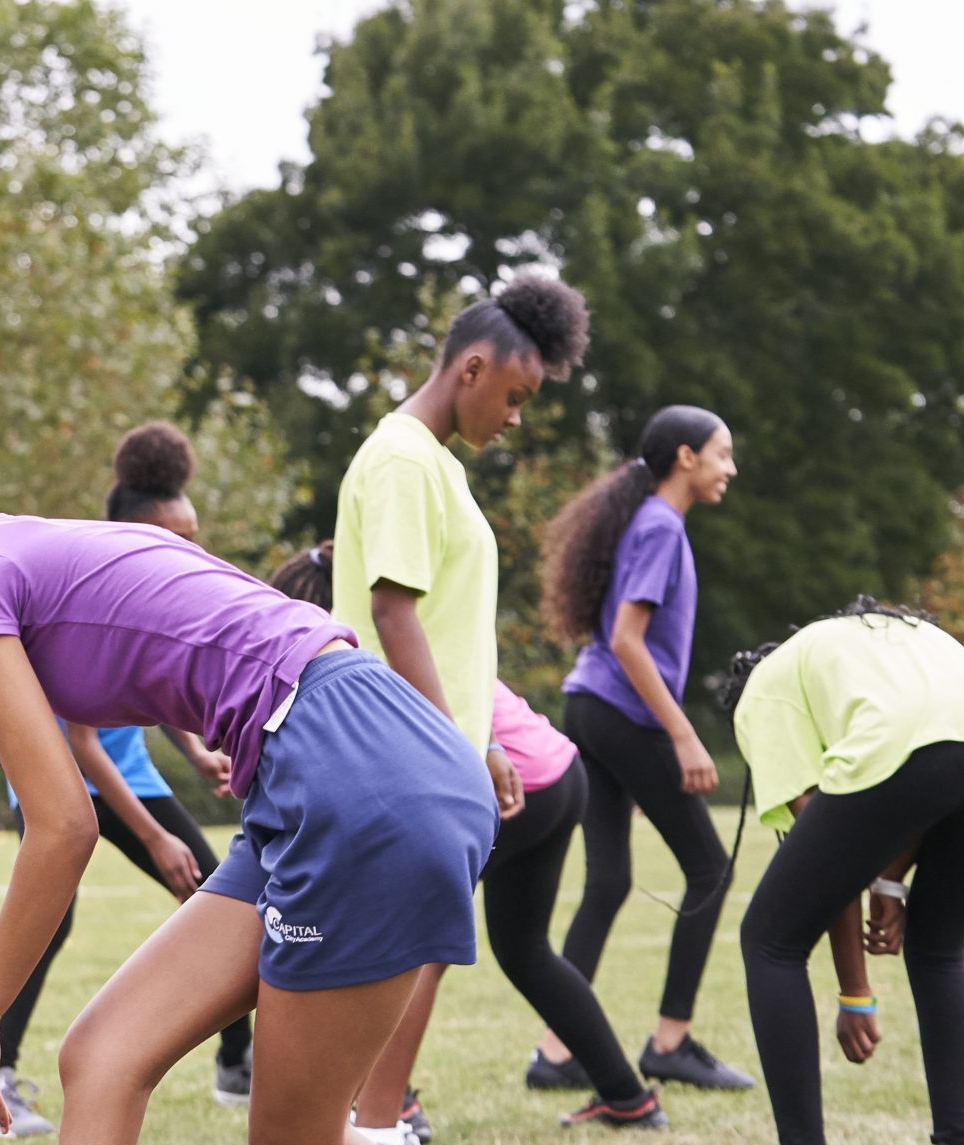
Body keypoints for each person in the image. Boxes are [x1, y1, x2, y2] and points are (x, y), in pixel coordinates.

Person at [0, 316, 493, 1145]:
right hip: (338, 756)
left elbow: (62, 824)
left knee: (290, 1136)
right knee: (103, 1054)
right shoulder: (16, 551)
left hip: (351, 766)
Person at [270, 544, 670, 1131]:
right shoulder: (419, 643)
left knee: (417, 946)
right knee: (526, 952)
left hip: (507, 784)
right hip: (558, 774)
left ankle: (390, 1106)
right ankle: (626, 1097)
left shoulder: (363, 659)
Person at [334, 277, 592, 1143]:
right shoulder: (406, 458)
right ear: (472, 368)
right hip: (403, 748)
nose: (516, 417)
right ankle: (371, 1124)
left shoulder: (431, 461)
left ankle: (372, 1118)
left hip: (426, 745)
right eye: (515, 397)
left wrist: (482, 738)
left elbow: (441, 624)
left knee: (418, 944)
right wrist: (457, 748)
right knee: (408, 946)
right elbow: (393, 612)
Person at [0, 423, 250, 1137]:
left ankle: (238, 1061)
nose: (192, 552)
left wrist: (193, 752)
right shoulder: (89, 586)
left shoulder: (155, 580)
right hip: (69, 779)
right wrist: (157, 836)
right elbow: (82, 743)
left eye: (196, 536)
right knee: (52, 922)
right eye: (178, 536)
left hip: (128, 774)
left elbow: (153, 687)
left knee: (225, 896)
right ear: (135, 531)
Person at [726, 600, 964, 1145]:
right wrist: (891, 883)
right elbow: (931, 757)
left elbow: (827, 855)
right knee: (940, 950)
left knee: (768, 940)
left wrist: (856, 994)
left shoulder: (765, 691)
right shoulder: (886, 639)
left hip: (909, 748)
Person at [539, 404, 754, 1091]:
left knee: (607, 881)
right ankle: (671, 1040)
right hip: (619, 711)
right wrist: (682, 735)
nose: (731, 467)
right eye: (722, 453)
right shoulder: (661, 525)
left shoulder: (649, 521)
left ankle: (556, 1052)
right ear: (686, 457)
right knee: (711, 869)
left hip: (592, 707)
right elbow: (629, 641)